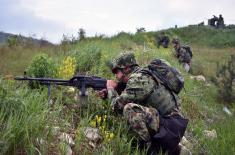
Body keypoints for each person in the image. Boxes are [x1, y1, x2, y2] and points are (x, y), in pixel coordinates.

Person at [99, 52, 188, 155]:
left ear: (126, 69)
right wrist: (108, 94)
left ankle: (151, 150)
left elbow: (116, 107)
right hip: (173, 125)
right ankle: (171, 149)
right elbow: (132, 96)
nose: (115, 75)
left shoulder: (138, 79)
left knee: (130, 109)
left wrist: (110, 88)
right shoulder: (145, 74)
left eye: (117, 71)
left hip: (170, 127)